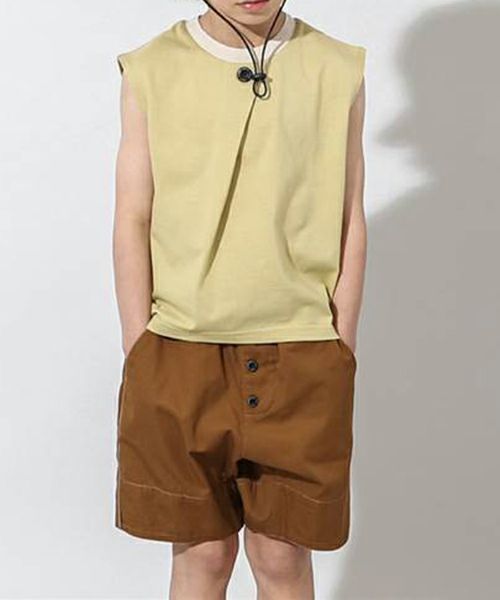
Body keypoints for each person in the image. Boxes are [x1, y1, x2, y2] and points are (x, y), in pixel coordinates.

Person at [113, 0, 367, 597]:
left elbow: (349, 213)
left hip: (304, 349)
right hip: (179, 348)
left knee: (282, 557)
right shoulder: (152, 67)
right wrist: (139, 347)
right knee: (202, 556)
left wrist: (341, 344)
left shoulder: (337, 67)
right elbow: (133, 214)